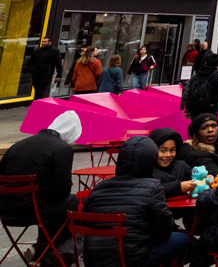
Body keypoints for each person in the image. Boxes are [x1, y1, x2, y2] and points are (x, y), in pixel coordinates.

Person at [80, 135, 188, 267]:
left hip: (93, 260)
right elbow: (164, 231)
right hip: (131, 260)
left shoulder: (99, 187)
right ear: (150, 161)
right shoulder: (152, 187)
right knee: (183, 239)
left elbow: (84, 222)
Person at [0, 112, 80, 266]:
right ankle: (53, 253)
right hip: (34, 212)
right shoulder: (62, 148)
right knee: (79, 203)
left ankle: (40, 248)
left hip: (5, 212)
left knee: (50, 206)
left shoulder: (17, 146)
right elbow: (61, 190)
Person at [145, 129, 195, 198]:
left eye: (172, 150)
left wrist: (204, 179)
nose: (168, 155)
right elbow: (148, 191)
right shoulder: (146, 170)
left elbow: (195, 177)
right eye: (163, 150)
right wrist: (178, 187)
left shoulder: (182, 167)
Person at [180, 113, 218, 177]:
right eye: (204, 128)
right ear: (196, 133)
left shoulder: (216, 147)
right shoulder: (199, 155)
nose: (210, 130)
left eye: (213, 126)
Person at [182, 50, 218, 119]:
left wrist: (187, 109)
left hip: (194, 108)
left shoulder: (196, 75)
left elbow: (186, 92)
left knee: (197, 127)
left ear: (205, 62)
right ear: (217, 64)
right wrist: (216, 108)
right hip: (211, 109)